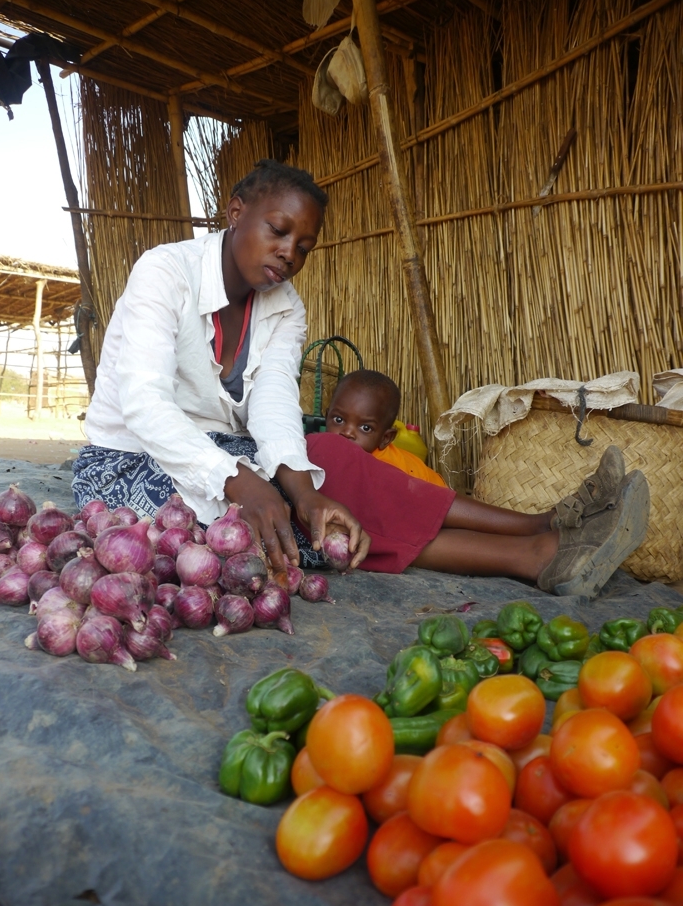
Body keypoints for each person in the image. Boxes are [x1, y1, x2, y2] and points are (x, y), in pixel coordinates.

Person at [72, 159, 369, 576]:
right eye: (278, 230)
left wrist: (303, 494)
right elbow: (143, 403)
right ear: (235, 213)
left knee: (318, 523)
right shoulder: (166, 272)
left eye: (303, 247)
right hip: (131, 455)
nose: (289, 253)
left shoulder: (286, 306)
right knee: (241, 544)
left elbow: (275, 399)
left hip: (225, 450)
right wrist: (240, 482)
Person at [305, 369, 650, 598]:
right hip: (292, 517)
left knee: (392, 523)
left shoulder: (392, 460)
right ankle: (541, 537)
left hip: (300, 499)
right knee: (330, 456)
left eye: (364, 428)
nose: (348, 432)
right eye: (337, 419)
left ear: (386, 436)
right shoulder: (330, 446)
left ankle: (544, 547)